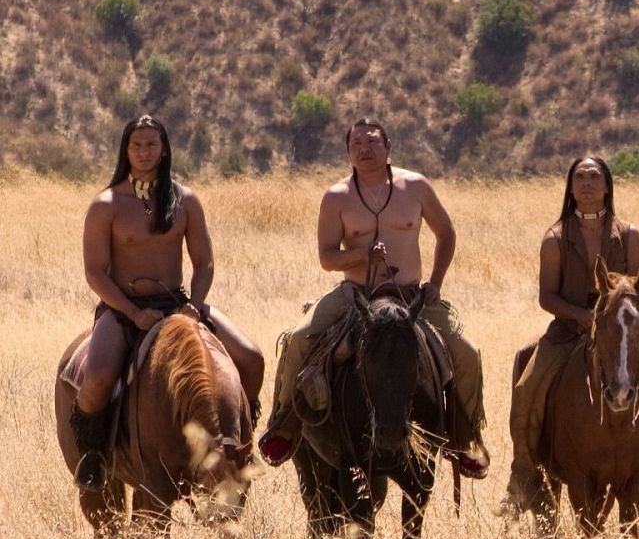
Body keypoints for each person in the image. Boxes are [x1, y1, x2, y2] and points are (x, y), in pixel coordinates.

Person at [257, 119, 489, 476]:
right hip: (356, 296)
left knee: (467, 351)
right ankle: (283, 426)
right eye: (356, 144)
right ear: (348, 151)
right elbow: (327, 257)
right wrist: (362, 255)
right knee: (299, 339)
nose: (364, 149)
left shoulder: (416, 186)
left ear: (389, 146)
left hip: (412, 299)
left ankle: (463, 438)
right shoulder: (336, 196)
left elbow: (446, 233)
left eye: (372, 142)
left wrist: (436, 283)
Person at [501, 156, 639, 519]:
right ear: (569, 187)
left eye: (594, 176)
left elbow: (634, 289)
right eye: (579, 177)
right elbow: (546, 296)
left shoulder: (629, 234)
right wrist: (582, 315)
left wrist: (609, 318)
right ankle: (523, 477)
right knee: (527, 386)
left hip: (621, 331)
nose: (586, 183)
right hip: (569, 330)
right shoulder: (555, 238)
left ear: (607, 186)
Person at [68, 115, 265, 490]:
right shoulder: (106, 204)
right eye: (136, 145)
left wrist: (196, 305)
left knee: (251, 358)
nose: (144, 152)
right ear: (126, 151)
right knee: (96, 380)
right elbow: (95, 273)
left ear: (164, 149)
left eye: (151, 145)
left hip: (180, 305)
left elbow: (204, 261)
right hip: (124, 311)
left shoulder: (185, 199)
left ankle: (239, 445)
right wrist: (132, 312)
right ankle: (95, 455)